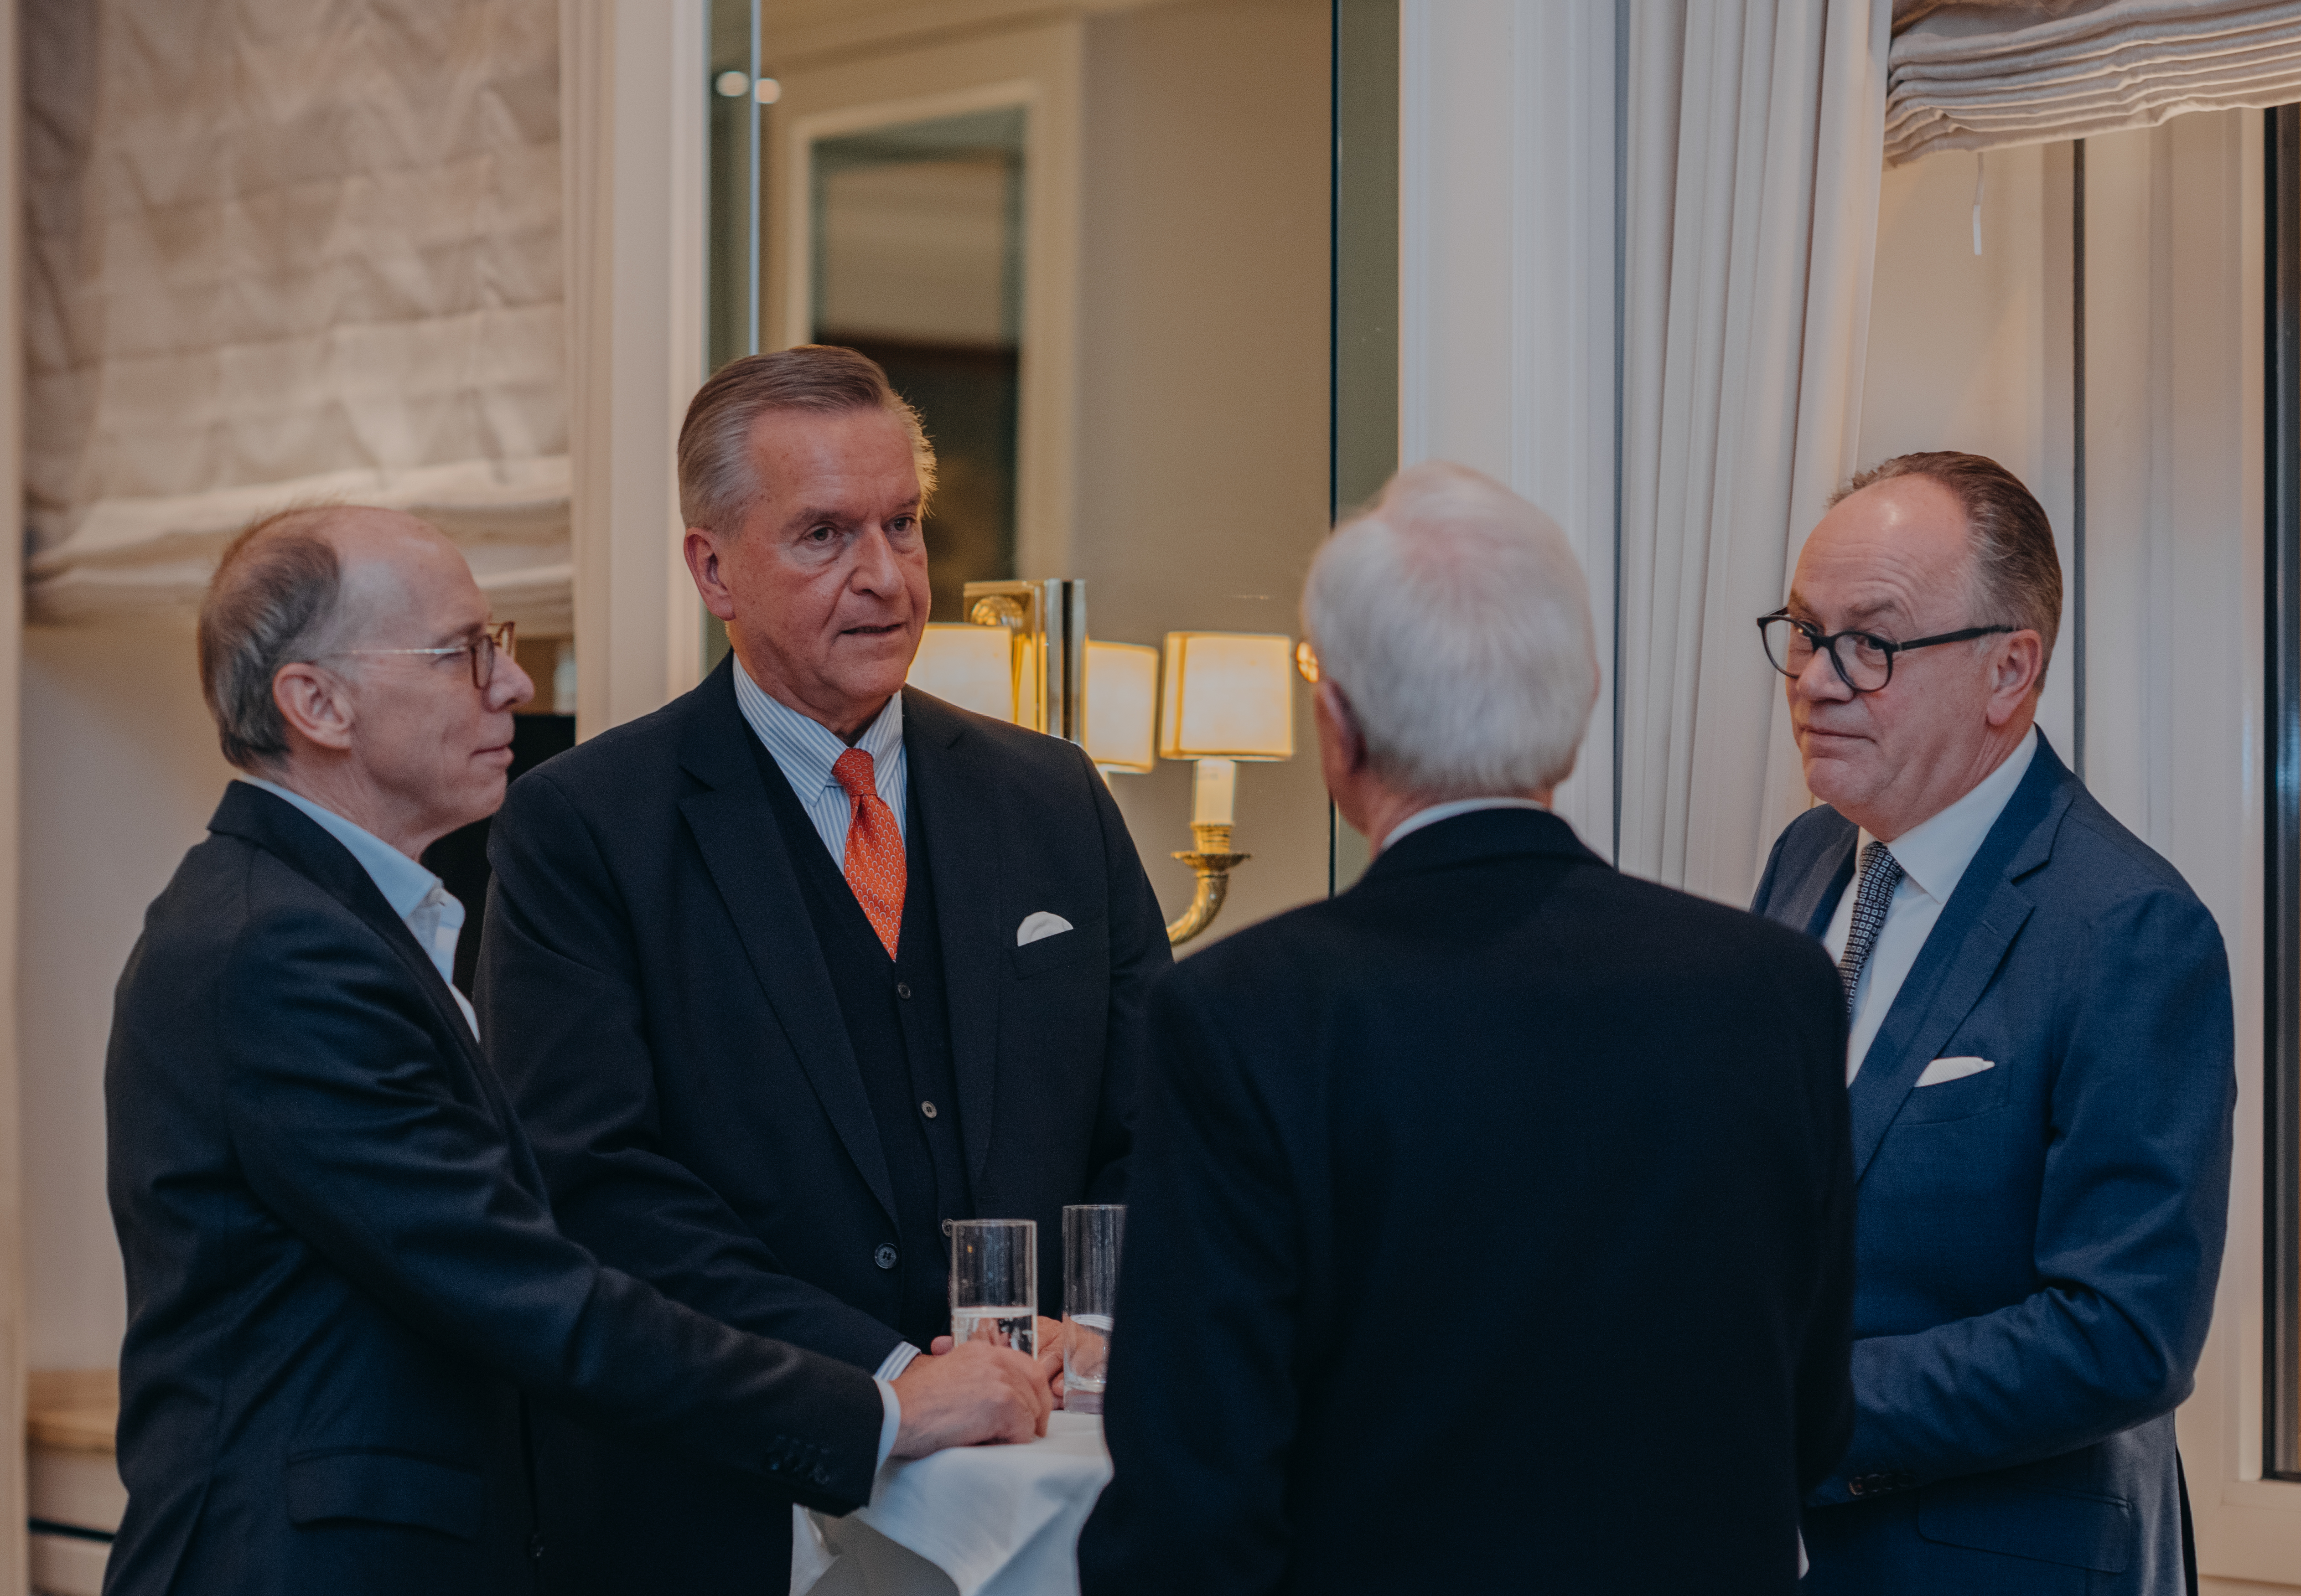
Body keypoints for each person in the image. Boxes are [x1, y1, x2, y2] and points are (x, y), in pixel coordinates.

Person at [103, 506, 1050, 1596]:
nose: (512, 685)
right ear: (316, 703)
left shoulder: (327, 919)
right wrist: (883, 1408)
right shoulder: (279, 950)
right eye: (466, 654)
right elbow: (528, 1294)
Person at [1077, 462, 1857, 1595]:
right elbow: (1813, 1421)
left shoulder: (1243, 1011)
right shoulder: (1773, 988)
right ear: (1583, 697)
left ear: (1332, 728)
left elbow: (1192, 1501)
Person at [474, 345, 1175, 1591]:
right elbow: (599, 1185)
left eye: (902, 525)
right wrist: (889, 1376)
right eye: (823, 535)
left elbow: (1161, 1120)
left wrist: (1100, 1315)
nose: (886, 577)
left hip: (1046, 1504)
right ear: (711, 568)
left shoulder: (1054, 797)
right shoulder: (584, 826)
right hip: (719, 1516)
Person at [1751, 452, 2234, 1593]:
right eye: (1804, 632)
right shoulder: (1806, 856)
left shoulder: (2129, 926)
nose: (1816, 679)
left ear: (2009, 668)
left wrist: (1798, 1406)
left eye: (1868, 642)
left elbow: (2124, 1330)